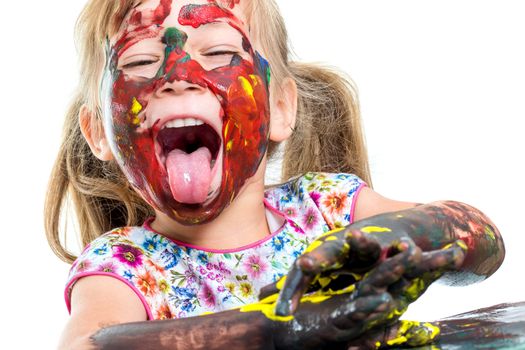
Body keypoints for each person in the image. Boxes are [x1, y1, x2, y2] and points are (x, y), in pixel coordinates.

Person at [45, 0, 505, 349]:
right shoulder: (124, 265)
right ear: (99, 132)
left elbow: (484, 240)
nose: (178, 74)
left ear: (281, 108)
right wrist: (269, 330)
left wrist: (407, 233)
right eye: (139, 62)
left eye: (220, 52)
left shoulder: (325, 210)